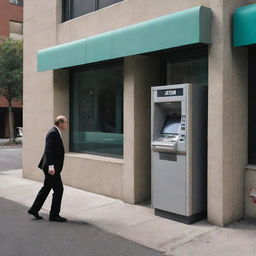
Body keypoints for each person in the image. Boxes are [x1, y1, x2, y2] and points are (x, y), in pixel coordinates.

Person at [27, 115, 68, 222]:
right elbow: (48, 150)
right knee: (59, 190)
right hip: (51, 168)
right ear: (60, 123)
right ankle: (54, 215)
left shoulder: (56, 132)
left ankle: (34, 209)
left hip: (52, 167)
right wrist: (51, 166)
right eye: (65, 122)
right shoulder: (53, 133)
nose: (67, 124)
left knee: (46, 188)